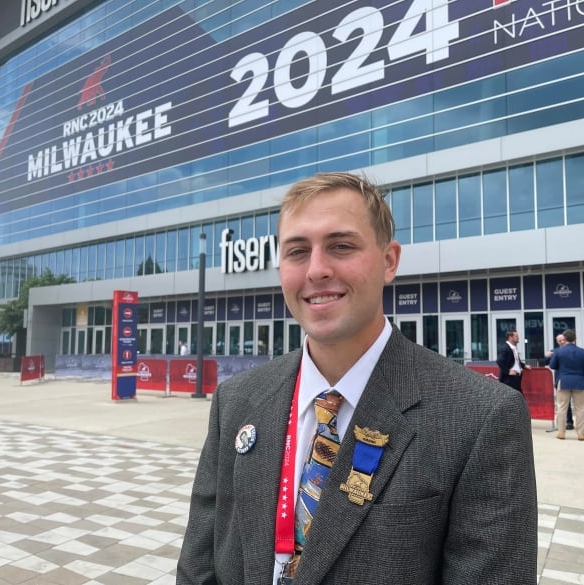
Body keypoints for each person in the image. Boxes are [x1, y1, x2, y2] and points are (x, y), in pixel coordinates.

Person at [177, 172, 537, 584]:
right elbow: (199, 566)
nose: (316, 270)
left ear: (389, 261)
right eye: (297, 251)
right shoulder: (237, 401)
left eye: (341, 246)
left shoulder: (480, 418)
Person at [548, 329, 584, 441]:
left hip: (563, 381)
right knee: (580, 408)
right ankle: (581, 434)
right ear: (575, 339)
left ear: (564, 339)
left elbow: (552, 365)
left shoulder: (559, 351)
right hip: (580, 381)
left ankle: (561, 432)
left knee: (561, 407)